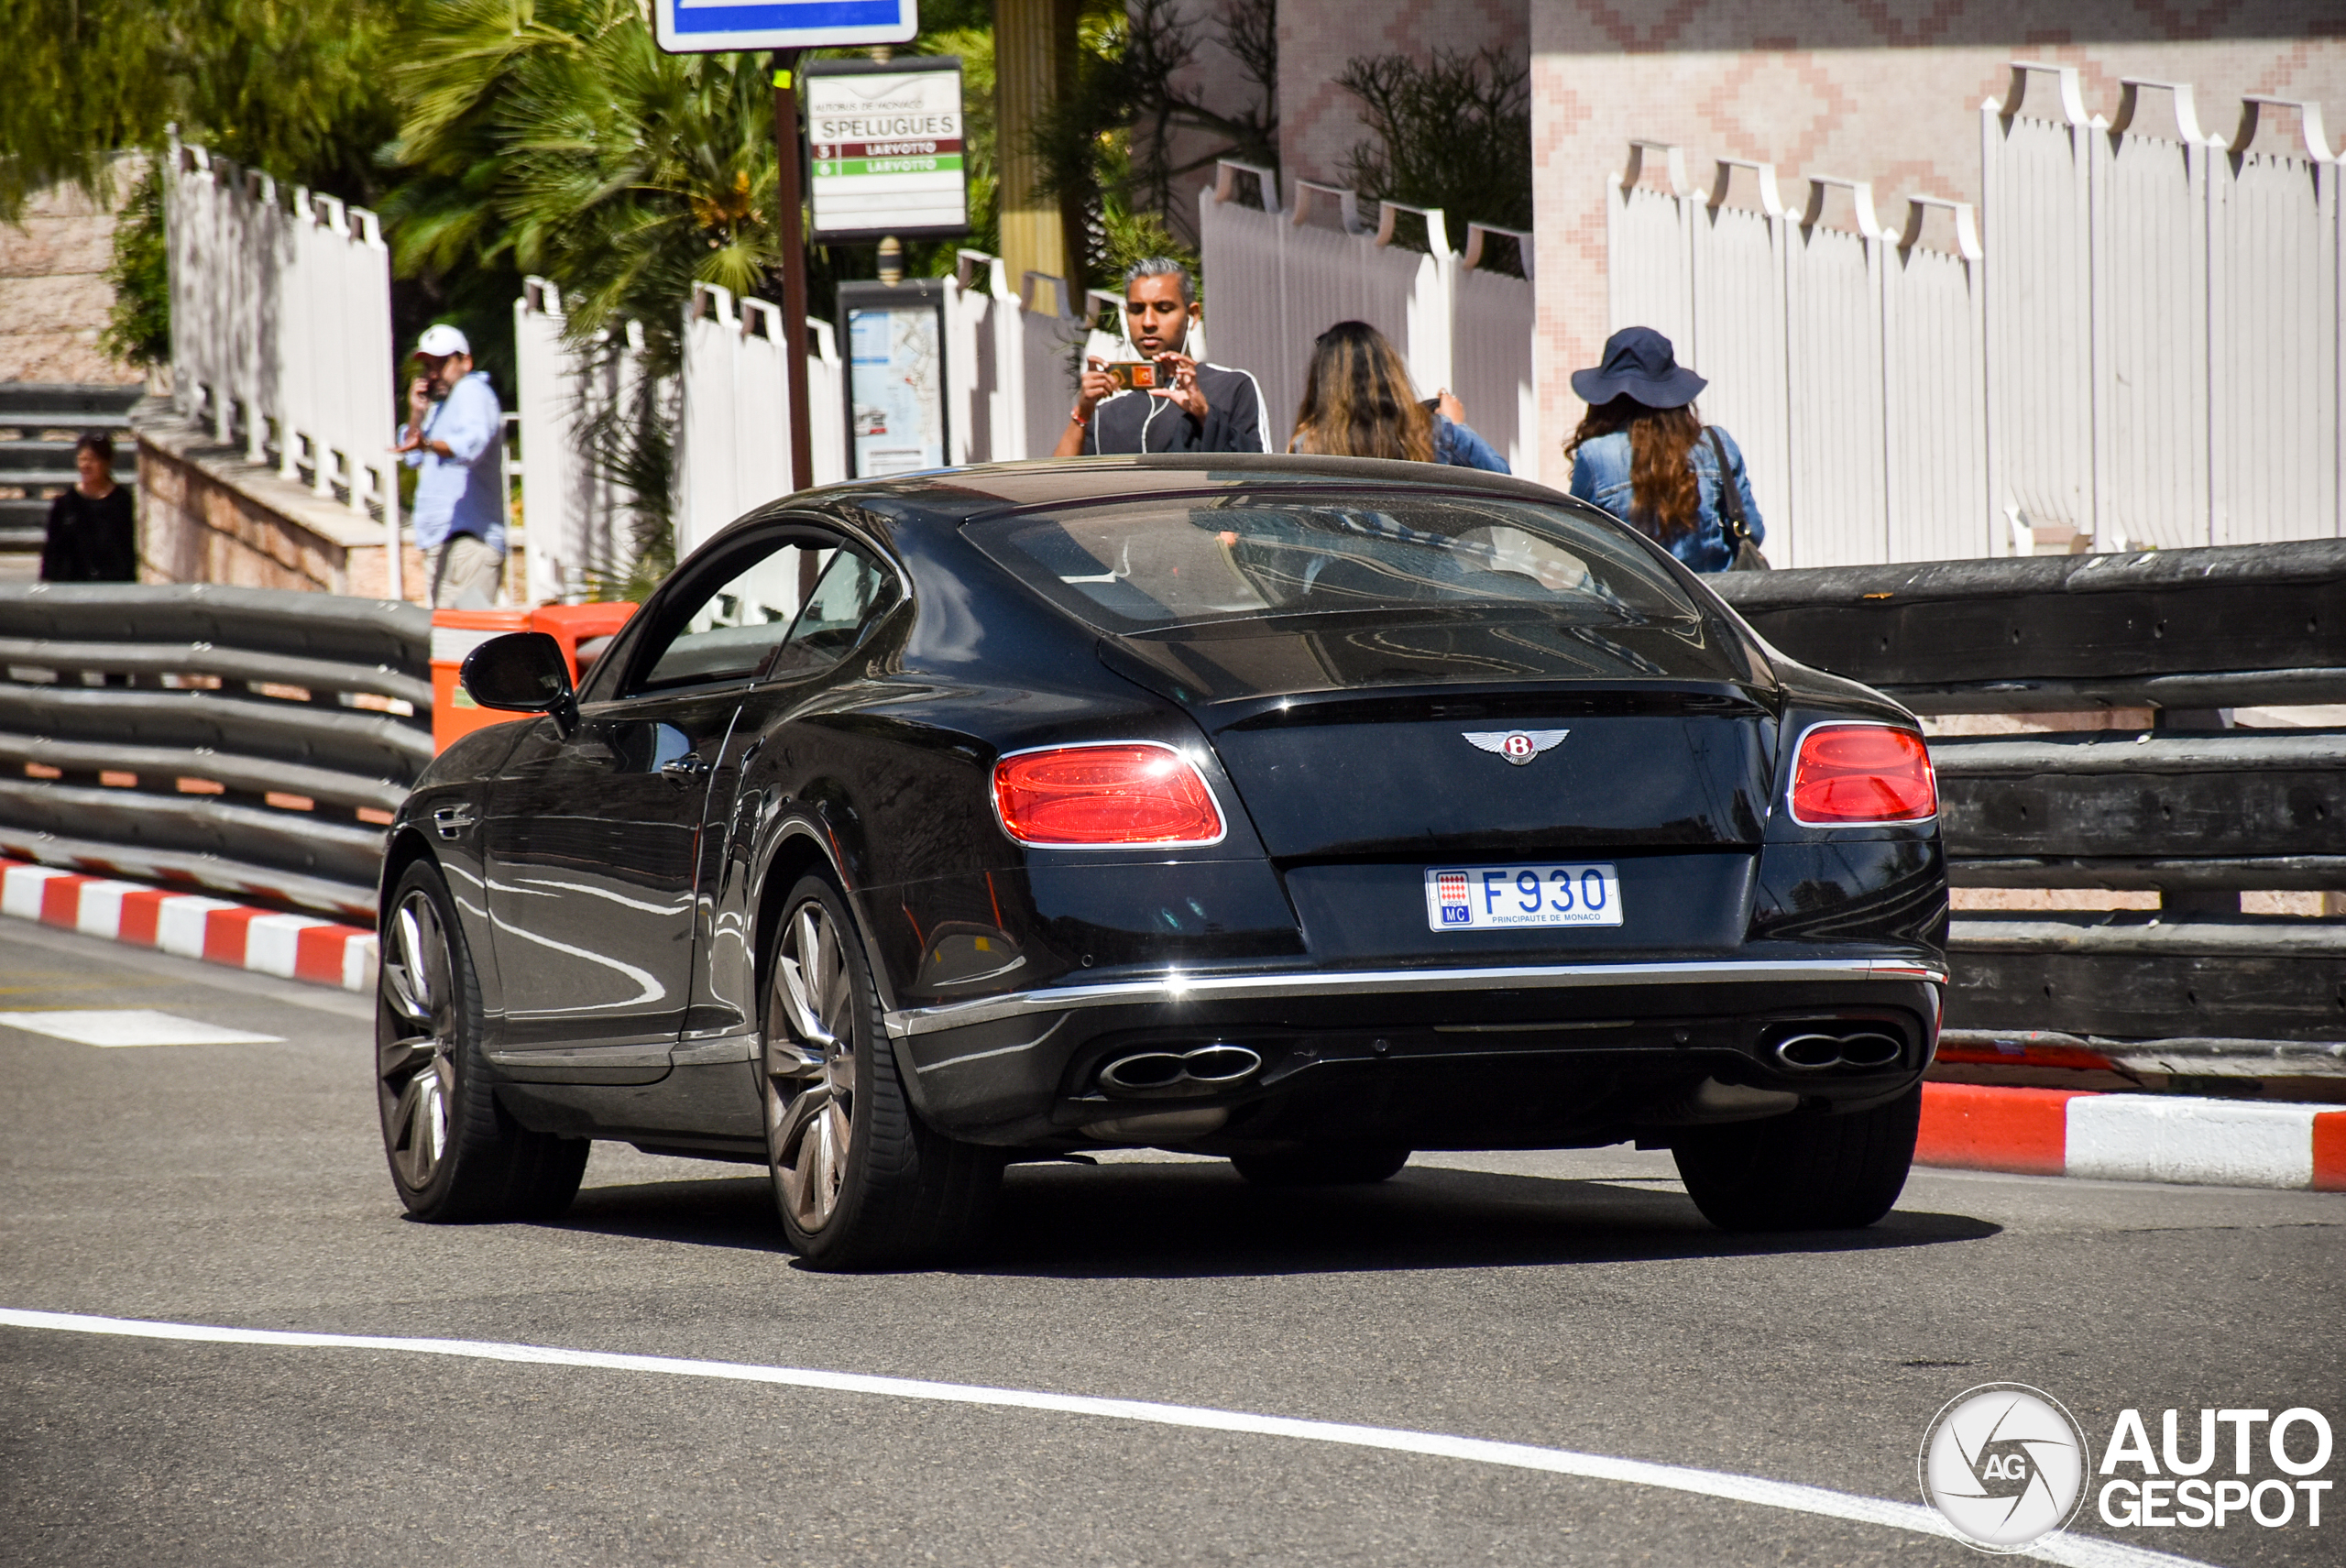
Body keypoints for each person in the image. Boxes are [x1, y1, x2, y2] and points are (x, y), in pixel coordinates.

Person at [1564, 325, 1763, 573]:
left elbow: (1577, 541)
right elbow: (1752, 530)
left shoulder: (1595, 456)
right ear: (1673, 390)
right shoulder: (1716, 444)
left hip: (1634, 606)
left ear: (1606, 398)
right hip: (1716, 600)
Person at [1054, 258, 1269, 456]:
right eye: (1137, 310)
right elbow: (1057, 485)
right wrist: (1082, 414)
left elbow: (1262, 476)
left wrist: (1205, 415)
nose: (1148, 322)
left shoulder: (1233, 388)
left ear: (1192, 315)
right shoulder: (1106, 414)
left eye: (1163, 309)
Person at [1287, 320, 1510, 471]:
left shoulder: (1309, 445)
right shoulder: (1436, 432)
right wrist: (1456, 426)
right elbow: (1502, 477)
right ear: (1390, 372)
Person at [394, 323, 506, 608]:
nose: (433, 374)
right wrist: (416, 414)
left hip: (469, 542)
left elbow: (471, 444)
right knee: (450, 644)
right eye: (429, 366)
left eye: (442, 363)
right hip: (444, 543)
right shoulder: (441, 405)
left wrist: (428, 444)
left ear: (465, 361)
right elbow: (412, 456)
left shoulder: (472, 391)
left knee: (463, 640)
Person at [40, 433, 137, 582]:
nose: (86, 465)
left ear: (107, 462)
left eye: (92, 460)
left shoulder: (123, 502)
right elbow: (52, 553)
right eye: (82, 459)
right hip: (71, 588)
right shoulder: (65, 504)